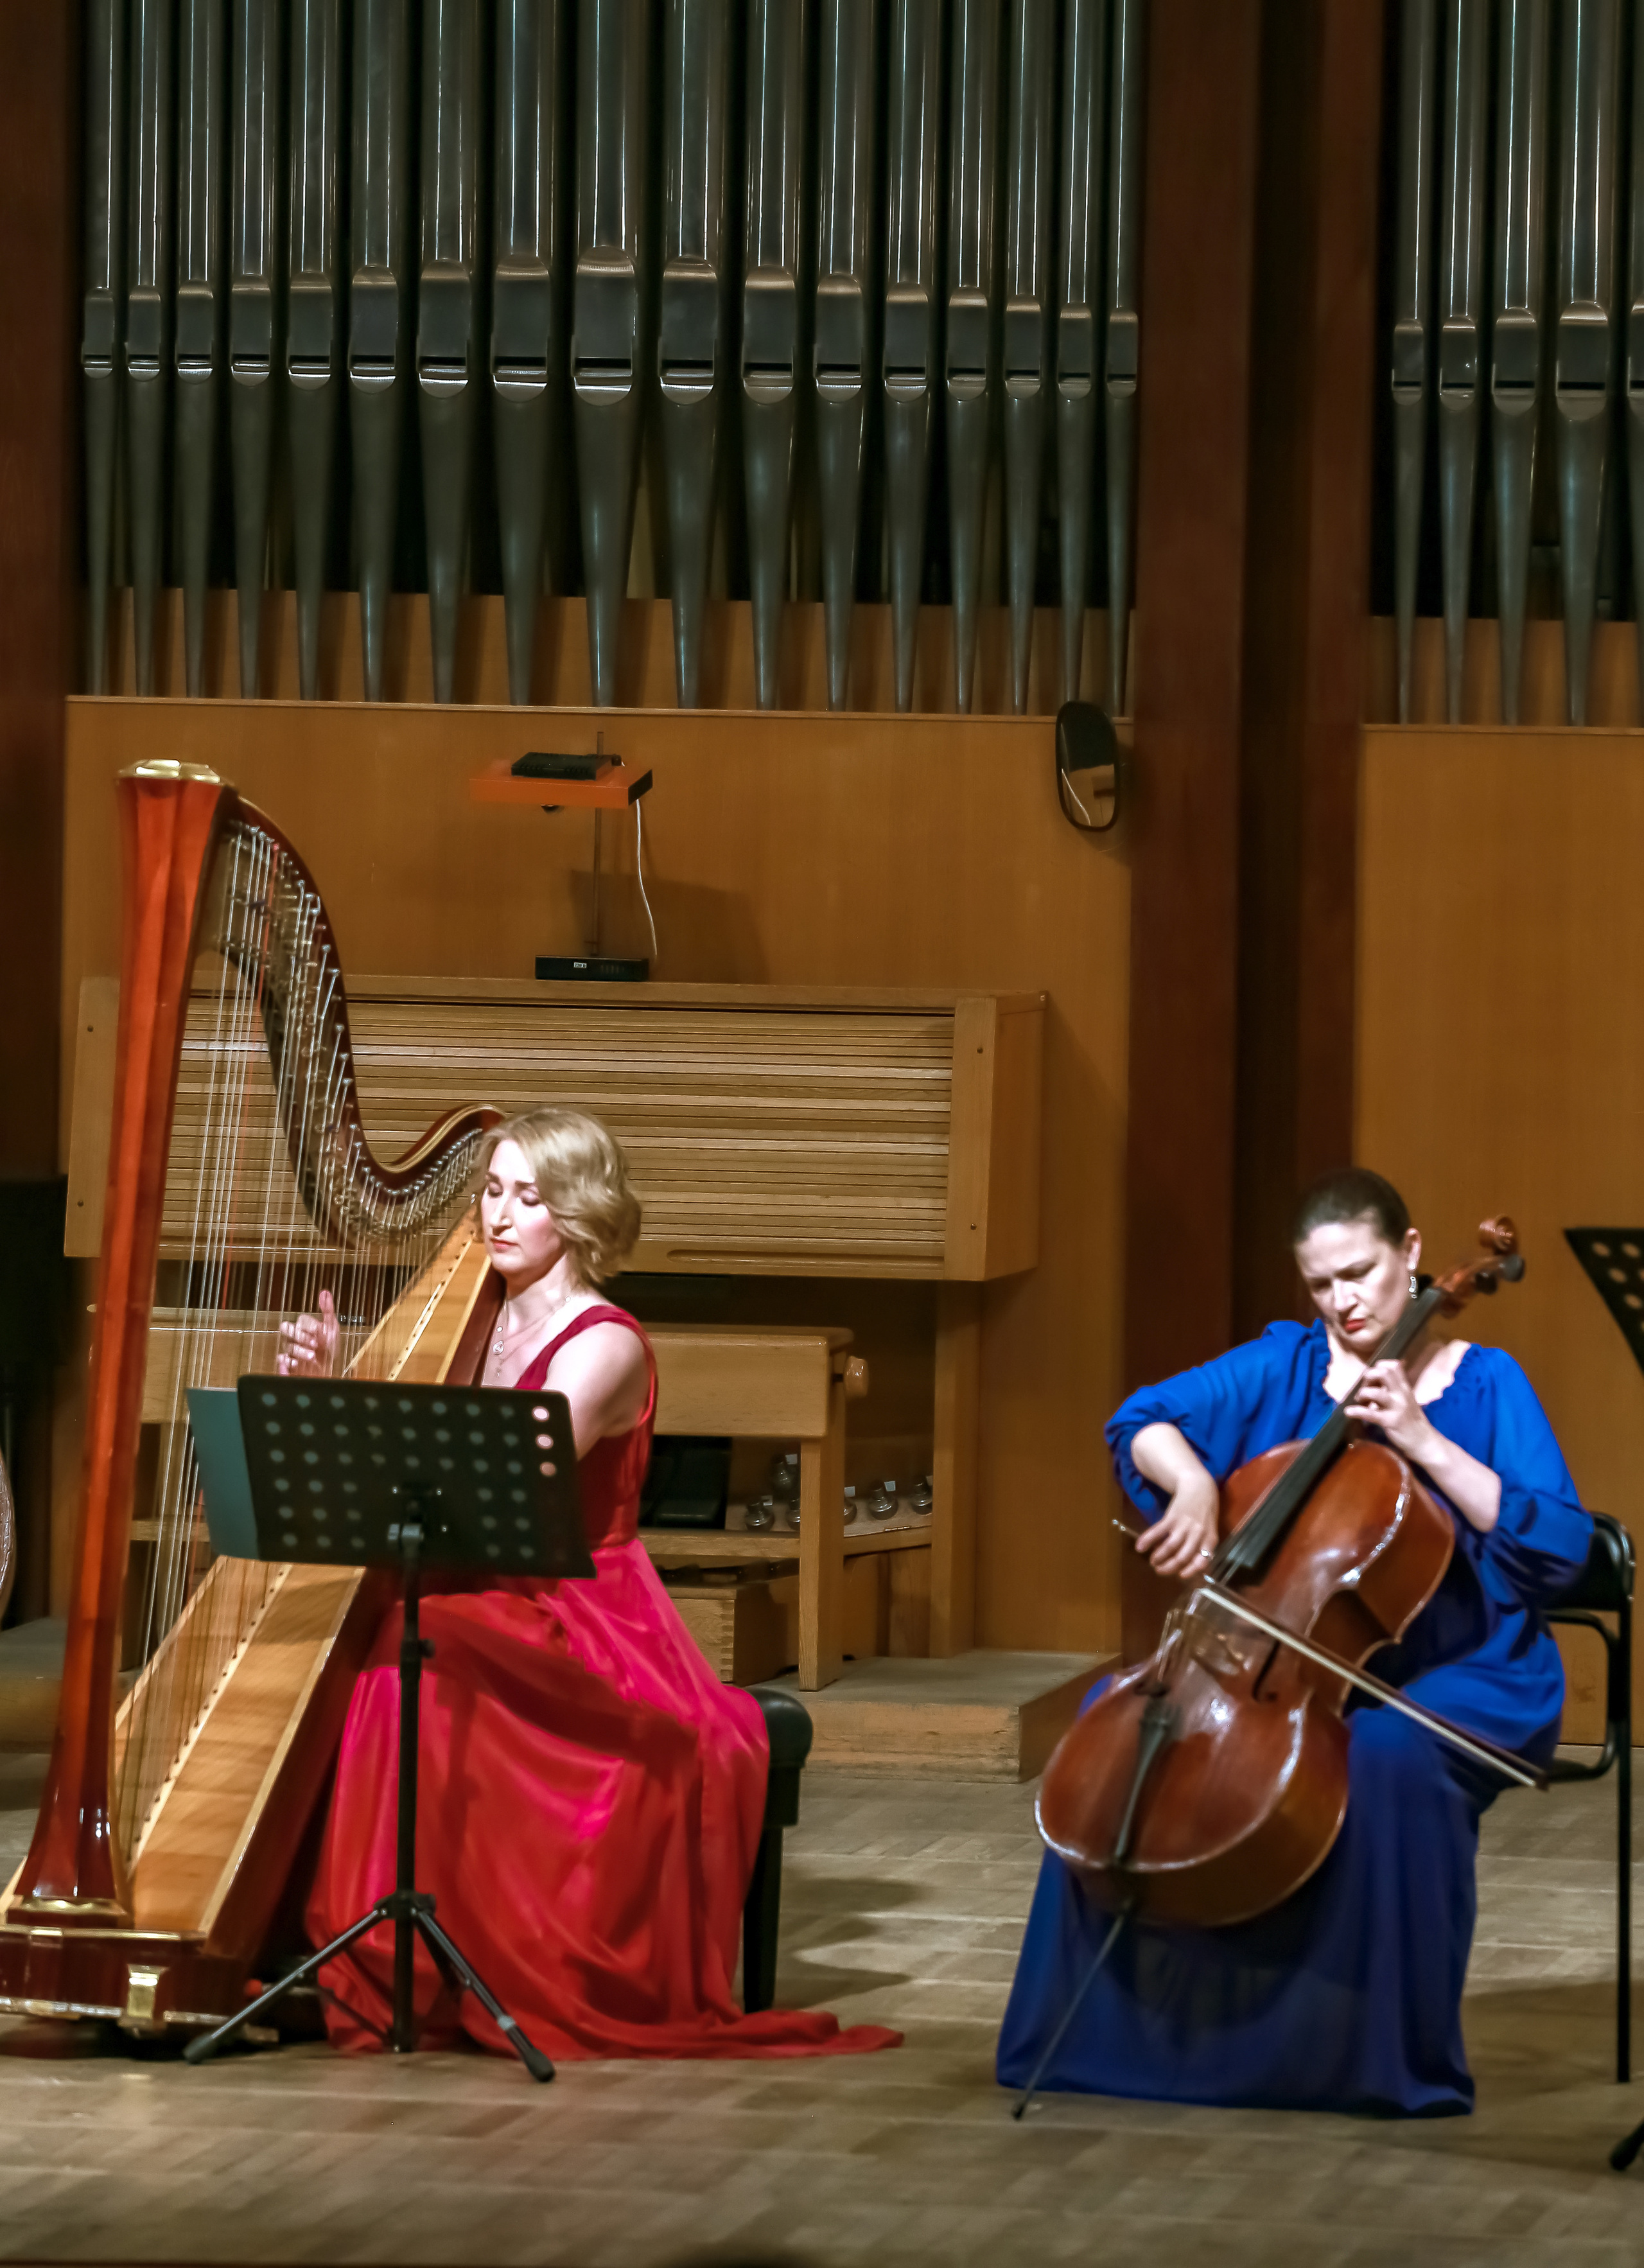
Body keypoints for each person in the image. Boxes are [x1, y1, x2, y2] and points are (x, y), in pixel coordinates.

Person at [281, 1106, 898, 2062]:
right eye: (491, 1190)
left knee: (408, 1665)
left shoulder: (603, 1345)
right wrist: (332, 1389)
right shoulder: (472, 1316)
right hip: (473, 1587)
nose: (500, 1214)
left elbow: (496, 1496)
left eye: (530, 1196)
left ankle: (422, 1956)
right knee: (364, 1645)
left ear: (579, 1213)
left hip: (575, 1606)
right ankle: (365, 1947)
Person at [997, 1166, 1593, 2116]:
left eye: (1359, 1273)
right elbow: (1142, 1420)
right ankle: (1122, 2040)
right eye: (1321, 1284)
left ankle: (1367, 2063)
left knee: (1389, 1756)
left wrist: (1426, 1442)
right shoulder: (1283, 1365)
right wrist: (1191, 1483)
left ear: (1409, 1252)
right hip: (1284, 1664)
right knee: (1116, 1721)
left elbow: (1561, 1551)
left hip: (1455, 1665)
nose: (1343, 1302)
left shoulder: (1484, 1383)